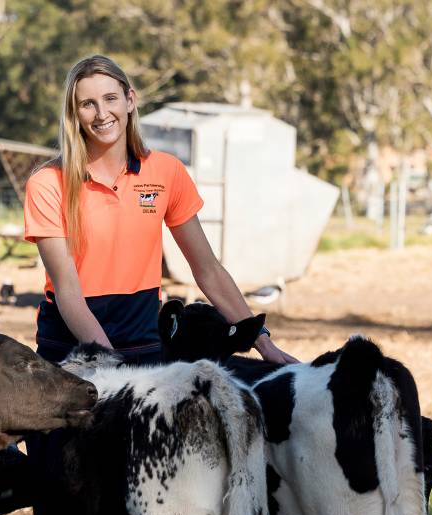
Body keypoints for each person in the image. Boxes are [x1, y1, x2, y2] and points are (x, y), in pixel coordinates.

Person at [24, 54, 298, 366]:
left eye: (110, 98)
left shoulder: (166, 172)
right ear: (75, 114)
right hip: (69, 353)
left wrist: (264, 344)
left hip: (143, 347)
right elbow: (68, 291)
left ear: (130, 100)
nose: (102, 113)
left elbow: (208, 271)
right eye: (88, 104)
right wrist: (110, 364)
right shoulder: (47, 183)